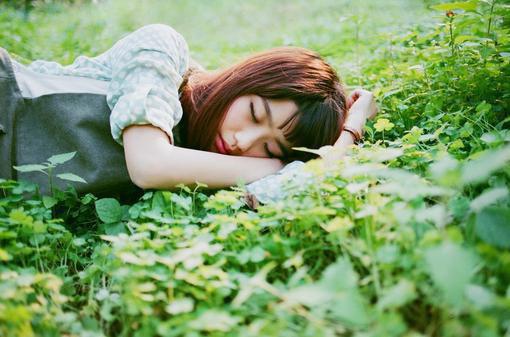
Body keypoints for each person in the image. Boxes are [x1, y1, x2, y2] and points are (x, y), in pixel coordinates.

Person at [0, 24, 377, 202]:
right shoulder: (162, 52)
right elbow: (149, 165)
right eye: (253, 113)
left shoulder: (206, 166)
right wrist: (276, 165)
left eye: (271, 147)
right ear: (241, 79)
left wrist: (350, 133)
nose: (241, 142)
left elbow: (286, 194)